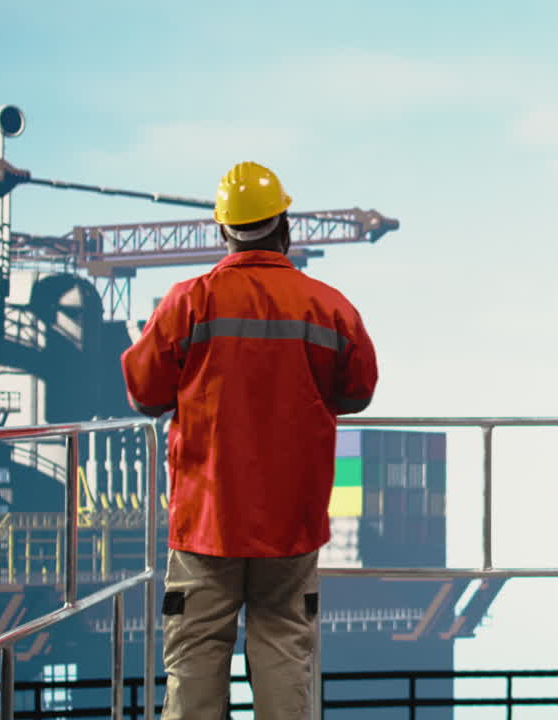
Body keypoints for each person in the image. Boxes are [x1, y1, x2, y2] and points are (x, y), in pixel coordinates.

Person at [121, 161, 378, 720]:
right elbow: (358, 392)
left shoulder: (188, 302)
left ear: (222, 232)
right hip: (291, 523)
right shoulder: (328, 306)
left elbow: (143, 393)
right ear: (285, 226)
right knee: (286, 654)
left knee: (194, 659)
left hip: (206, 522)